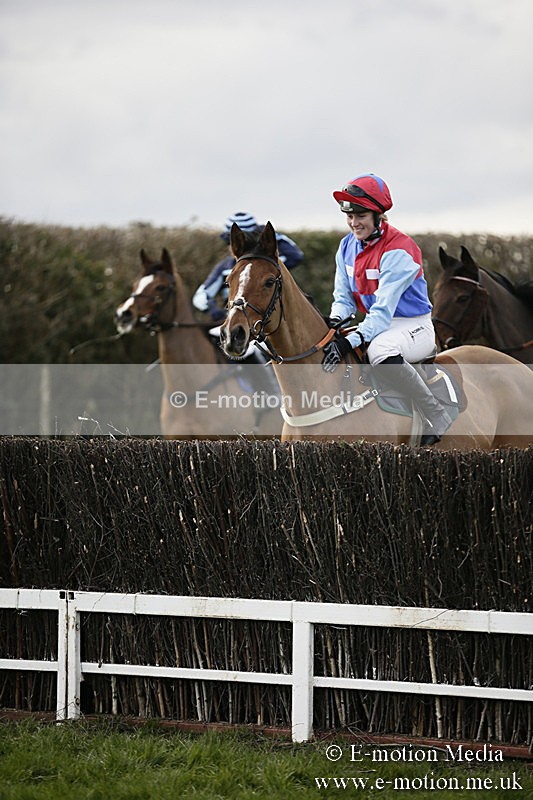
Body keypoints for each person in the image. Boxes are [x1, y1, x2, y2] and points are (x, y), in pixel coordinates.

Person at [321, 173, 453, 445]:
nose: (354, 223)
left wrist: (350, 342)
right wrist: (333, 323)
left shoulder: (400, 249)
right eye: (349, 216)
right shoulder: (345, 246)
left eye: (361, 216)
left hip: (412, 325)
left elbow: (381, 313)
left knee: (380, 350)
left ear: (378, 215)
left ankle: (435, 413)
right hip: (378, 324)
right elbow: (344, 299)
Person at [192, 211, 304, 322]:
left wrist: (271, 235)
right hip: (238, 321)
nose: (240, 248)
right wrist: (214, 311)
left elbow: (295, 256)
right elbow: (200, 296)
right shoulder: (224, 267)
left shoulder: (269, 263)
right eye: (235, 242)